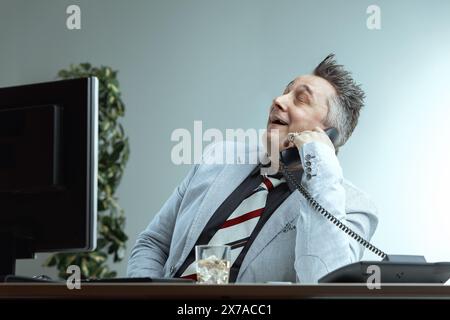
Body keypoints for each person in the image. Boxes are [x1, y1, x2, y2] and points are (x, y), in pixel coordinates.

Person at [127, 54, 378, 283]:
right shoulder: (219, 156)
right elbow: (153, 243)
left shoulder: (354, 207)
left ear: (328, 135)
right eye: (285, 92)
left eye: (300, 99)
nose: (278, 101)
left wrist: (320, 169)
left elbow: (321, 282)